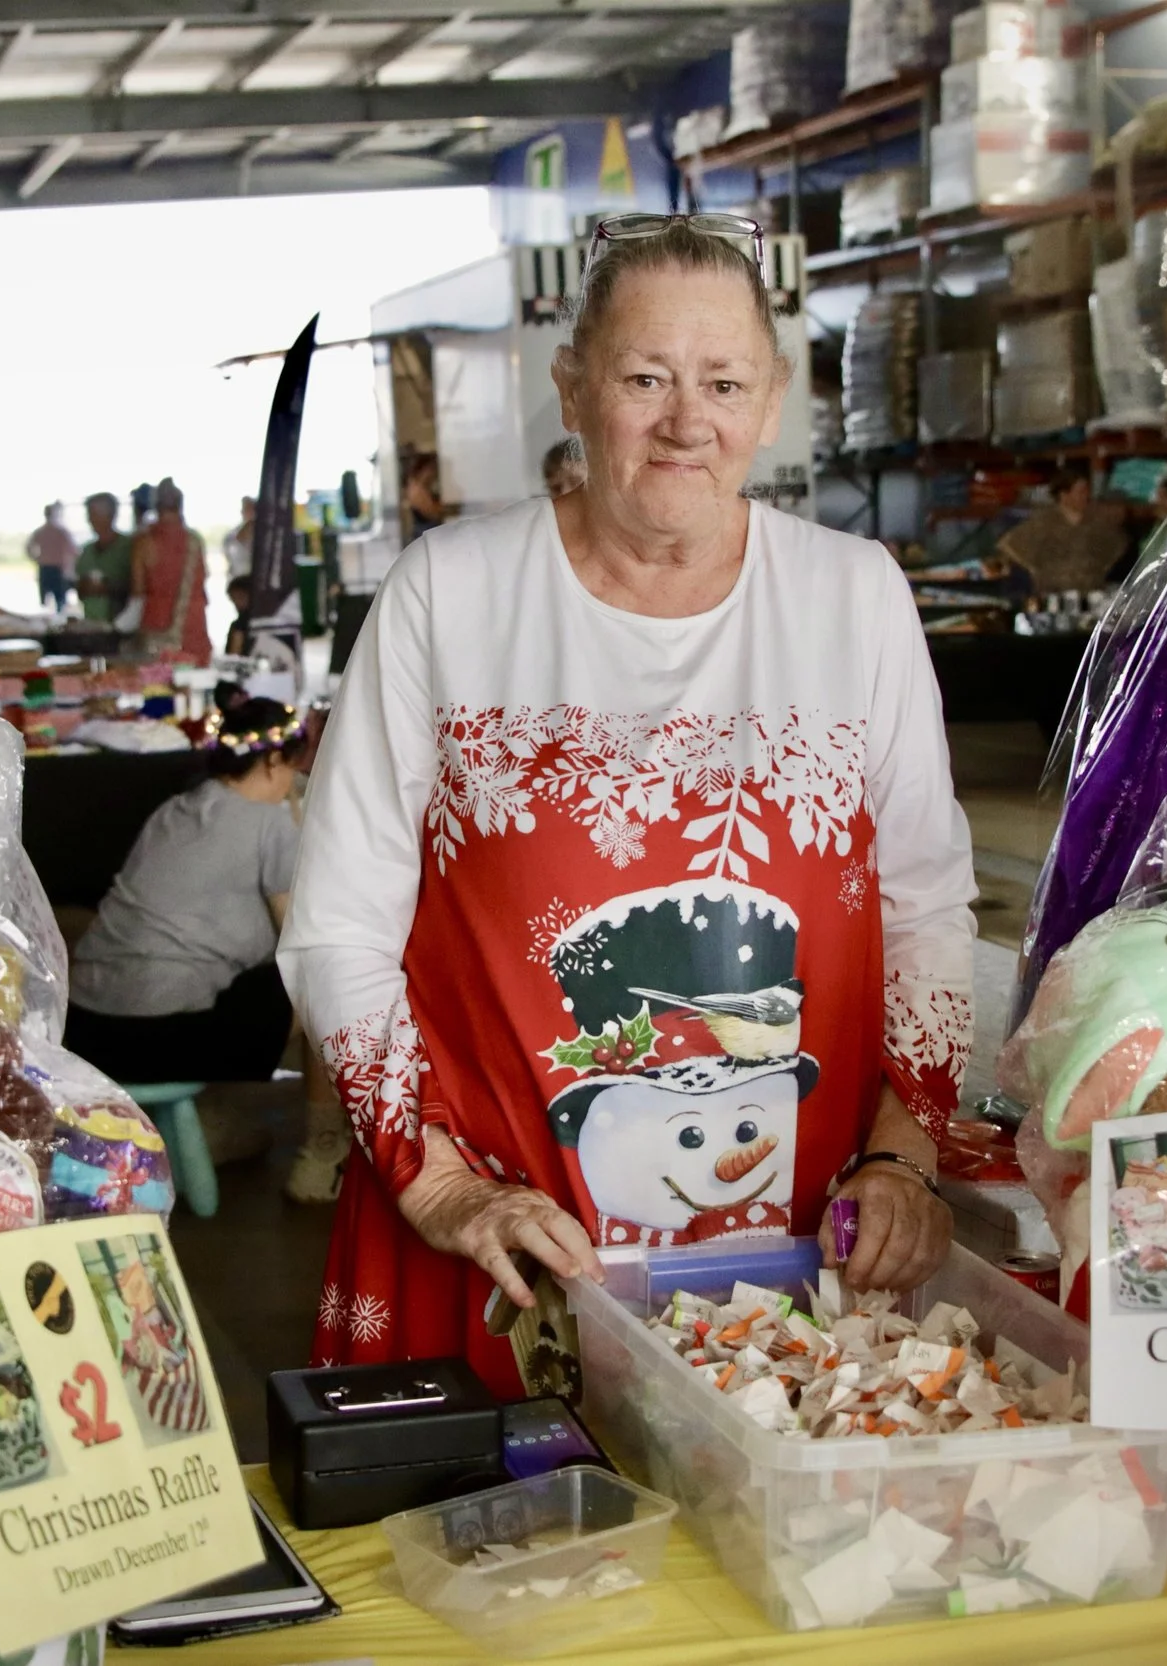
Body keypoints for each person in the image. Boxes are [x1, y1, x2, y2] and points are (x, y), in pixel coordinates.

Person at [280, 217, 976, 1393]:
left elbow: (926, 904)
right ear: (572, 387)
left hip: (789, 1260)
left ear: (769, 405)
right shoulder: (450, 591)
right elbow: (339, 923)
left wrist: (905, 1160)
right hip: (504, 1253)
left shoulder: (852, 596)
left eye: (722, 382)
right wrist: (440, 1184)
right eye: (643, 378)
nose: (683, 420)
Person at [65, 699, 305, 1083]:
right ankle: (320, 1132)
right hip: (155, 1038)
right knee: (320, 974)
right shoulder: (271, 825)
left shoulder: (171, 811)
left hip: (81, 1026)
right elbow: (301, 936)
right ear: (274, 760)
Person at [994, 463, 1128, 596]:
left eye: (1087, 490)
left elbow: (1118, 545)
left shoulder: (1097, 522)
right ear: (1064, 495)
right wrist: (1033, 568)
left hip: (1091, 593)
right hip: (1052, 594)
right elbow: (1008, 544)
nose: (1086, 496)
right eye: (1080, 492)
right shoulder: (1043, 522)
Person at [128, 477, 211, 664]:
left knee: (158, 687)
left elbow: (138, 592)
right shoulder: (195, 541)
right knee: (194, 683)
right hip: (193, 627)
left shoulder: (144, 542)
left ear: (156, 507)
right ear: (180, 506)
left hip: (157, 630)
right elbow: (202, 581)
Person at [73, 492, 132, 622]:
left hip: (120, 624)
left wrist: (108, 588)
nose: (89, 520)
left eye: (93, 514)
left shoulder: (129, 547)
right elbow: (79, 590)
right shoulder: (87, 551)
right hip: (92, 624)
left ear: (110, 515)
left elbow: (137, 589)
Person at [28, 501, 77, 610]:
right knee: (60, 602)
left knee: (45, 603)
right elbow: (74, 551)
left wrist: (36, 559)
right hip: (57, 570)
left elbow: (28, 548)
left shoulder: (40, 531)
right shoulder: (62, 531)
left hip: (45, 568)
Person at [401, 454, 447, 539]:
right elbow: (432, 512)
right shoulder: (416, 488)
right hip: (423, 535)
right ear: (424, 469)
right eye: (432, 469)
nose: (434, 474)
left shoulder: (422, 487)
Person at [222, 496, 260, 582]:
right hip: (238, 581)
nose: (250, 512)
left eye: (252, 509)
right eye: (247, 509)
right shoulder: (231, 536)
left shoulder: (263, 535)